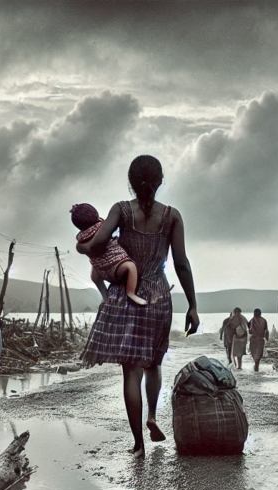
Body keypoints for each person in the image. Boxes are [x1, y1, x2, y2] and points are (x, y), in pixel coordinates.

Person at [79, 155, 199, 457]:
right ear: (160, 181)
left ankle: (138, 444)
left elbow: (97, 244)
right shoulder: (172, 216)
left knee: (130, 372)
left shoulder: (120, 210)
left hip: (126, 295)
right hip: (158, 296)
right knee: (153, 364)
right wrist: (193, 306)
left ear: (131, 182)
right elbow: (181, 264)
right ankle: (153, 417)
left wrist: (83, 246)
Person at [72, 203, 147, 306]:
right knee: (131, 267)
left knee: (94, 278)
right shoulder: (102, 226)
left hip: (100, 269)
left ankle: (105, 297)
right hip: (116, 265)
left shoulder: (81, 237)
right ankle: (131, 293)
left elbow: (82, 247)